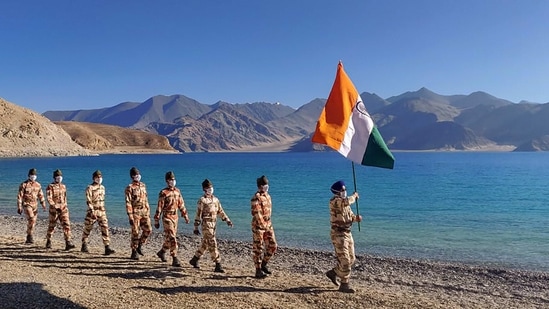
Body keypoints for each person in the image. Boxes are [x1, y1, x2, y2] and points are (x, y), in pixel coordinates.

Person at [325, 180, 362, 293]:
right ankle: (344, 285)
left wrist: (356, 218)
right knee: (345, 260)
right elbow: (347, 201)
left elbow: (350, 216)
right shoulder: (334, 201)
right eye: (342, 190)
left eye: (345, 190)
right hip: (338, 234)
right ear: (337, 192)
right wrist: (354, 196)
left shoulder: (345, 204)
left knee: (351, 259)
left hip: (347, 233)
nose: (344, 191)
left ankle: (334, 272)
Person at [189, 179, 233, 273]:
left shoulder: (216, 200)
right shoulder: (202, 200)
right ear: (204, 189)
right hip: (206, 225)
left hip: (214, 225)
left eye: (211, 187)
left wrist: (227, 220)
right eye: (208, 188)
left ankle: (195, 259)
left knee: (205, 243)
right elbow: (198, 214)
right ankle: (218, 264)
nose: (210, 189)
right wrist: (196, 227)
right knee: (212, 243)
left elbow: (220, 211)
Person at [154, 171, 189, 267]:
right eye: (170, 180)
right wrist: (156, 220)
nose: (172, 181)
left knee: (169, 238)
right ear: (167, 181)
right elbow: (159, 207)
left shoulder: (177, 191)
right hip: (167, 217)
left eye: (173, 180)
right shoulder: (163, 193)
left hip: (175, 217)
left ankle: (162, 252)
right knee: (172, 237)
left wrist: (185, 215)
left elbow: (181, 204)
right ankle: (175, 257)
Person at [81, 170, 115, 255]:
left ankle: (107, 247)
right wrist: (92, 210)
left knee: (105, 228)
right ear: (94, 178)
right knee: (88, 228)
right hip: (92, 211)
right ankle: (84, 243)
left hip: (102, 211)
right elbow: (88, 200)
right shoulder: (90, 188)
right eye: (97, 177)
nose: (99, 179)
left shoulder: (103, 187)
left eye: (100, 177)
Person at [250, 175, 277, 279]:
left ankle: (264, 264)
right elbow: (256, 213)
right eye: (265, 185)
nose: (267, 186)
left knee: (273, 245)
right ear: (260, 186)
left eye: (267, 185)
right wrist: (262, 226)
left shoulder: (268, 196)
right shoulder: (256, 197)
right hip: (259, 226)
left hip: (268, 225)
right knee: (258, 248)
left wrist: (267, 225)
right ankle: (258, 270)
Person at [125, 167, 152, 260]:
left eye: (139, 174)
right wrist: (130, 216)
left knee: (148, 230)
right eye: (136, 174)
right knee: (135, 232)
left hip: (144, 212)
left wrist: (148, 211)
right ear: (132, 176)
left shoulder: (143, 185)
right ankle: (134, 251)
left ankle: (140, 244)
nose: (138, 176)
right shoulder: (130, 188)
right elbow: (128, 202)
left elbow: (146, 199)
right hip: (135, 212)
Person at [45, 169, 76, 250]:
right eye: (57, 177)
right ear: (54, 178)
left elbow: (65, 198)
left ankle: (68, 242)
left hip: (63, 209)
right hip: (54, 210)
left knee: (66, 225)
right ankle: (49, 240)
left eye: (60, 177)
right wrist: (55, 206)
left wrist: (65, 206)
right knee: (52, 226)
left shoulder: (63, 186)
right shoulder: (50, 186)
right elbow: (49, 198)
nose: (59, 178)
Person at [17, 168, 46, 244]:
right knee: (32, 219)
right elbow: (20, 196)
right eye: (31, 175)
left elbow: (41, 195)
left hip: (35, 205)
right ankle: (29, 235)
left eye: (34, 175)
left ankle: (29, 235)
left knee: (33, 222)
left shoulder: (38, 185)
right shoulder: (24, 185)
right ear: (29, 175)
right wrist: (19, 206)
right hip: (27, 204)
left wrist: (43, 204)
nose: (33, 177)